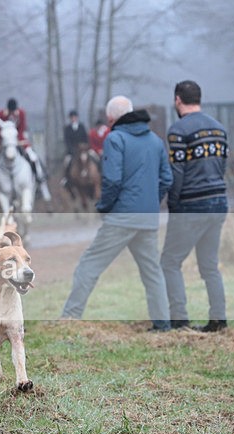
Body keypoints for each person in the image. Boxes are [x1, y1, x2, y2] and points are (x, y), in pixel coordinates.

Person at [61, 95, 173, 331]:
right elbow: (167, 179)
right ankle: (163, 324)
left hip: (122, 218)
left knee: (88, 266)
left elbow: (111, 181)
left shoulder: (115, 139)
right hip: (148, 218)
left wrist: (104, 207)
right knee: (153, 273)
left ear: (111, 119)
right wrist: (151, 202)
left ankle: (69, 320)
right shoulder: (155, 140)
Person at [160, 80, 229, 332]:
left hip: (191, 204)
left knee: (169, 261)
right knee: (209, 264)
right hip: (219, 202)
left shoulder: (178, 130)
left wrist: (174, 203)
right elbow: (222, 167)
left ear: (178, 100)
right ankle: (218, 320)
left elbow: (177, 172)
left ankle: (179, 320)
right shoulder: (220, 128)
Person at [0, 98, 50, 201]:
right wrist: (3, 140)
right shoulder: (0, 115)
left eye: (13, 110)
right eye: (11, 111)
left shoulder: (21, 114)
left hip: (19, 141)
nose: (12, 112)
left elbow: (22, 128)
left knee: (33, 157)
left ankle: (39, 177)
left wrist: (16, 140)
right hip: (3, 143)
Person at [62, 110, 89, 181]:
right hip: (72, 151)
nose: (73, 119)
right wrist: (71, 149)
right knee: (67, 162)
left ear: (77, 118)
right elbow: (67, 141)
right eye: (72, 117)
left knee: (94, 158)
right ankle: (66, 179)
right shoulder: (67, 128)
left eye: (74, 117)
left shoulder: (81, 127)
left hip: (83, 149)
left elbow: (85, 138)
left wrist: (85, 146)